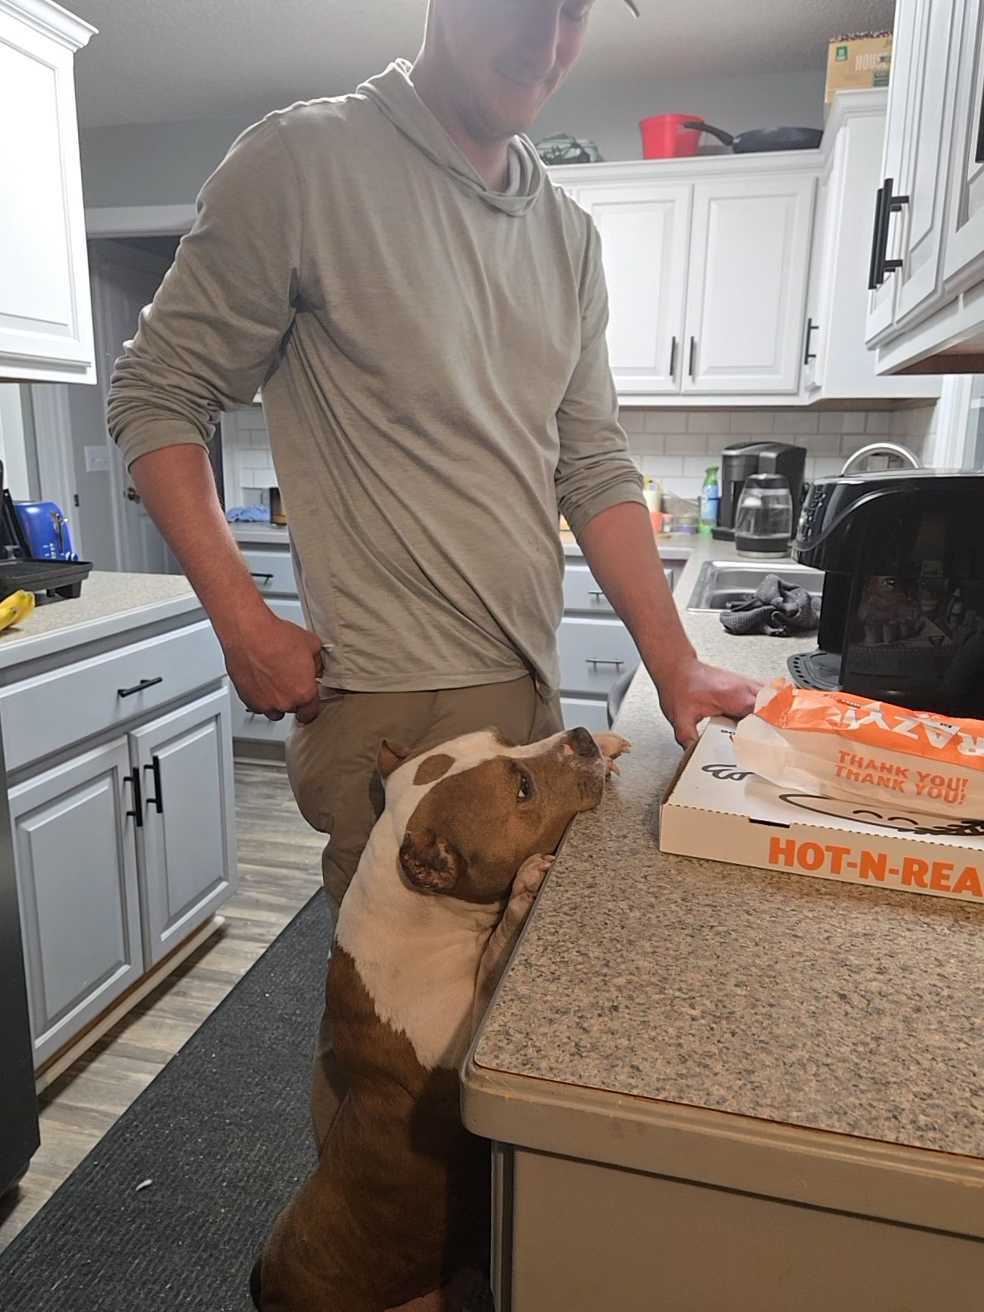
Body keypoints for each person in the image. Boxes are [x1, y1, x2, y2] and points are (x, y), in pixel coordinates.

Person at [106, 0, 759, 1158]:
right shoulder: (304, 163)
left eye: (573, 9)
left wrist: (676, 665)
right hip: (391, 710)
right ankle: (367, 1256)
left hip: (526, 694)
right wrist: (242, 618)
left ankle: (476, 1247)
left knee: (501, 1039)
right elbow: (156, 394)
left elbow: (592, 464)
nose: (546, 41)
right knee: (396, 1065)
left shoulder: (566, 235)